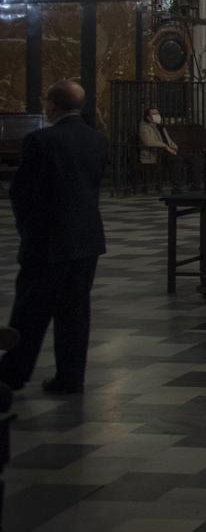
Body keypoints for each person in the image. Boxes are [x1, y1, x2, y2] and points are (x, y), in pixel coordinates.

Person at [0, 80, 108, 396]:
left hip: (47, 241)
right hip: (87, 240)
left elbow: (21, 192)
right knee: (74, 313)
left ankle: (12, 376)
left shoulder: (40, 140)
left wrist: (27, 230)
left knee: (29, 311)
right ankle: (70, 377)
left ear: (52, 106)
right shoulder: (97, 140)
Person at [138, 105, 183, 192]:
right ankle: (177, 186)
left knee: (193, 158)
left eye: (157, 113)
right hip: (154, 153)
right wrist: (166, 147)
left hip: (166, 151)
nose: (157, 115)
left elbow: (169, 140)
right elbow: (148, 142)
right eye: (154, 114)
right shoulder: (144, 127)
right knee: (177, 160)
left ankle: (195, 185)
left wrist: (175, 147)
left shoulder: (160, 127)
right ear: (148, 117)